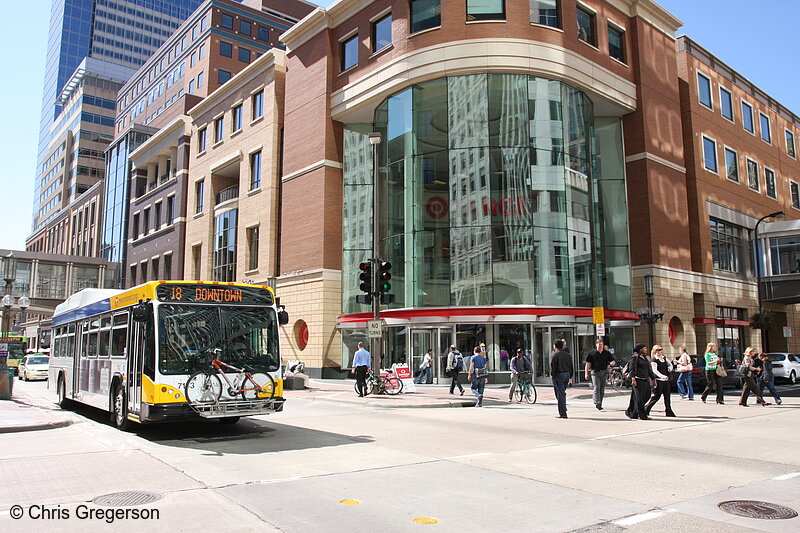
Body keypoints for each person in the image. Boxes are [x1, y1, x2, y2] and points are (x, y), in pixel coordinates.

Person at [626, 343, 656, 420]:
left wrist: (653, 379)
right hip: (637, 380)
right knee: (639, 399)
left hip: (645, 380)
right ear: (640, 349)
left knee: (647, 395)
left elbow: (649, 369)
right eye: (644, 348)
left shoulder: (645, 358)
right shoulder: (635, 358)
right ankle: (643, 415)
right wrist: (633, 378)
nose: (646, 350)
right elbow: (631, 369)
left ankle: (632, 412)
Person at [584, 338, 615, 410]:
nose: (600, 346)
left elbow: (612, 360)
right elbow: (588, 364)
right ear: (596, 344)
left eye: (601, 344)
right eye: (599, 344)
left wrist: (612, 362)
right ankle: (597, 401)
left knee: (601, 388)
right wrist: (586, 373)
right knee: (597, 387)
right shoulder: (592, 353)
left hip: (604, 372)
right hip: (595, 372)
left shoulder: (606, 353)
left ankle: (600, 403)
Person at [644, 345, 676, 417]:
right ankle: (647, 408)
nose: (660, 351)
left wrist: (670, 368)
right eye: (658, 350)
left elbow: (670, 364)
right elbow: (655, 371)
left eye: (661, 349)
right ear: (655, 351)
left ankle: (668, 411)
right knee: (656, 396)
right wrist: (663, 376)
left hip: (666, 380)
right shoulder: (654, 360)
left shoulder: (664, 358)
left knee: (667, 396)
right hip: (659, 380)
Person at [550, 339, 573, 418]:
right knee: (562, 392)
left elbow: (553, 366)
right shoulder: (567, 354)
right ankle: (563, 408)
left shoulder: (555, 354)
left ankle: (563, 413)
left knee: (560, 394)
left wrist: (553, 375)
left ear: (555, 346)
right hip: (567, 374)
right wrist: (570, 376)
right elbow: (571, 366)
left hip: (559, 374)